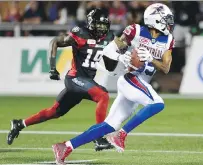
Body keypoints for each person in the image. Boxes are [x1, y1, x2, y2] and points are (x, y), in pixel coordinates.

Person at [51, 3, 175, 164]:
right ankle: (121, 134)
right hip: (131, 79)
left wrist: (151, 58)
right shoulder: (136, 31)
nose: (169, 23)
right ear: (155, 20)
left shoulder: (168, 39)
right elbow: (109, 49)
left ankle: (65, 147)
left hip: (141, 84)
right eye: (166, 19)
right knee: (158, 103)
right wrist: (120, 57)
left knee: (109, 124)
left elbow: (165, 68)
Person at [7, 8, 126, 151]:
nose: (101, 29)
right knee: (103, 96)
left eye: (103, 25)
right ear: (90, 24)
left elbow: (110, 65)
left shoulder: (109, 38)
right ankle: (98, 138)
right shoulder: (80, 34)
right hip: (75, 79)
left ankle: (19, 124)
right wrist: (52, 67)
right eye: (98, 25)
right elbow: (55, 42)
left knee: (54, 112)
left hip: (85, 82)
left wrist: (119, 55)